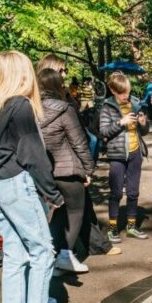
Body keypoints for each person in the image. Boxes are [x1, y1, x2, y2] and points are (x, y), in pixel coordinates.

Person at [0, 50, 72, 303]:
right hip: (17, 184)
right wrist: (52, 194)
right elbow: (33, 155)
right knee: (43, 250)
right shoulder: (19, 106)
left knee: (14, 253)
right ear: (22, 73)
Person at [37, 68, 95, 273]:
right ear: (57, 85)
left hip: (45, 171)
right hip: (69, 170)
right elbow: (79, 143)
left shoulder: (31, 111)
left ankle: (54, 257)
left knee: (58, 214)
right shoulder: (64, 109)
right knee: (75, 212)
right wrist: (89, 169)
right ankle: (65, 254)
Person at [98, 72, 150, 243]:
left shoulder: (135, 103)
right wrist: (121, 122)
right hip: (117, 154)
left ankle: (132, 225)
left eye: (127, 91)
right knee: (116, 192)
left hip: (135, 152)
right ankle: (113, 227)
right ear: (113, 90)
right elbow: (104, 131)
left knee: (133, 191)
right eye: (121, 93)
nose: (125, 96)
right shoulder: (107, 107)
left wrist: (143, 123)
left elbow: (143, 131)